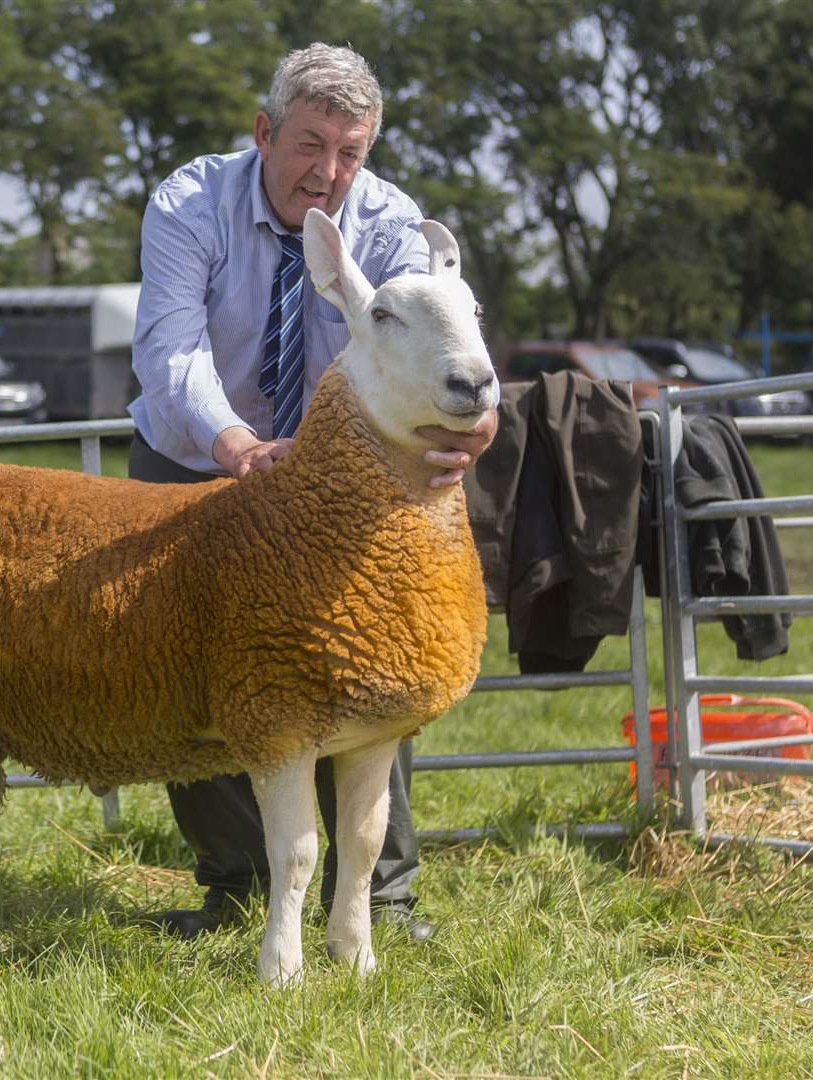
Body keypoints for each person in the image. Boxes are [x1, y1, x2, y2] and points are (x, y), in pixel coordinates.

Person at [128, 43, 498, 942]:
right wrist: (238, 444)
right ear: (264, 132)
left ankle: (381, 895)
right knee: (199, 668)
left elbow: (447, 343)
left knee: (378, 649)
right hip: (198, 455)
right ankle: (237, 884)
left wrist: (476, 427)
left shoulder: (392, 222)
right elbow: (171, 351)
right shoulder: (189, 204)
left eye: (350, 153)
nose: (328, 173)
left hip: (350, 474)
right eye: (309, 144)